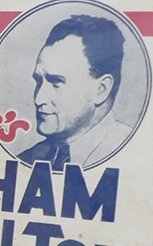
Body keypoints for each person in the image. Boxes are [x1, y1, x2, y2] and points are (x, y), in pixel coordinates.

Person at [17, 14, 132, 171]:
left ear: (101, 90)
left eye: (56, 82)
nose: (38, 99)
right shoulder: (26, 160)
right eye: (39, 82)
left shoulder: (136, 157)